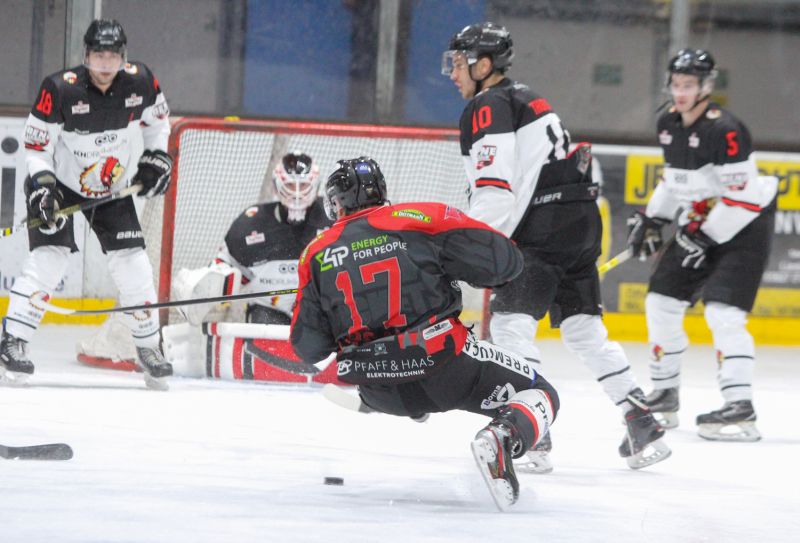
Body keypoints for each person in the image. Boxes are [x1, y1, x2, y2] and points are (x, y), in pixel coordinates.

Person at [442, 22, 670, 470]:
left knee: (509, 327)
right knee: (584, 329)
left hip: (544, 226)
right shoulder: (527, 97)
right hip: (582, 221)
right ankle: (641, 419)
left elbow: (496, 192)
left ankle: (532, 434)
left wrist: (462, 251)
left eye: (457, 62)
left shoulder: (487, 106)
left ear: (483, 65)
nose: (451, 72)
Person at [290, 157, 559, 511]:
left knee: (390, 366)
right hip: (445, 371)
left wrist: (319, 300)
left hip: (379, 389)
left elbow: (308, 348)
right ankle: (504, 436)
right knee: (542, 392)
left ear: (336, 202)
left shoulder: (316, 253)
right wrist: (450, 265)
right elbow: (505, 263)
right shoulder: (423, 218)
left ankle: (385, 404)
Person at [0, 19, 173, 390]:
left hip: (112, 187)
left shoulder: (141, 80)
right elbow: (36, 145)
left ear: (123, 57)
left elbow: (158, 124)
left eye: (112, 55)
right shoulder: (60, 87)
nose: (105, 63)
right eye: (98, 55)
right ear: (86, 56)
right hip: (59, 184)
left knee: (133, 264)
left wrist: (157, 157)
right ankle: (13, 339)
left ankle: (147, 346)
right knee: (49, 259)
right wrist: (42, 187)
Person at [626, 49, 778, 442]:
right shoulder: (667, 123)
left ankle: (740, 405)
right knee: (660, 301)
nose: (680, 92)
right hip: (702, 223)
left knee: (723, 311)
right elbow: (676, 179)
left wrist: (704, 235)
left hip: (744, 226)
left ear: (705, 87)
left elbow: (743, 198)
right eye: (676, 84)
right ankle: (665, 393)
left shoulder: (725, 129)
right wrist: (653, 219)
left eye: (689, 85)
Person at [173, 151, 332, 326]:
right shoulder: (252, 224)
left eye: (302, 186)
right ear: (277, 186)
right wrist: (204, 286)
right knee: (266, 338)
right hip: (271, 311)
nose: (296, 194)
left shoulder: (334, 217)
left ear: (315, 186)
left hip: (324, 310)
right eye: (289, 185)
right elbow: (226, 271)